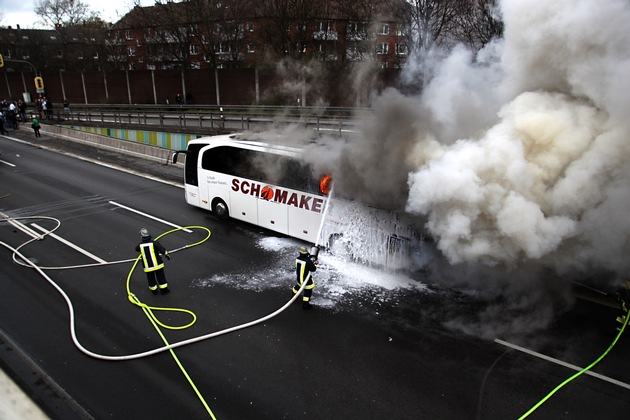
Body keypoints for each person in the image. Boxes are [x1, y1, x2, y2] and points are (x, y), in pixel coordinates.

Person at [135, 228, 170, 295]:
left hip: (148, 267)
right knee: (161, 277)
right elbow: (163, 251)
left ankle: (154, 291)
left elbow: (136, 249)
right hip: (158, 265)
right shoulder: (155, 243)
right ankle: (164, 290)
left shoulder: (140, 246)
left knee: (151, 279)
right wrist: (167, 255)